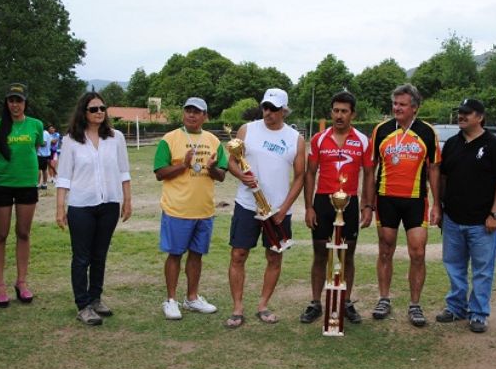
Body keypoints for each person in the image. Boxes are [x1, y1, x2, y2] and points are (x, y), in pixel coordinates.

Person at [225, 88, 305, 328]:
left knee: (274, 257)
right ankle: (237, 308)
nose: (268, 112)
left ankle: (263, 305)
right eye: (265, 107)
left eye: (273, 109)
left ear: (284, 111)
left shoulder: (295, 139)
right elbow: (231, 162)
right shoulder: (247, 130)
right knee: (238, 254)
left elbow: (300, 177)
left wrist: (284, 208)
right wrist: (241, 175)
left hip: (277, 210)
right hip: (247, 205)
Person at [56, 92, 132, 326]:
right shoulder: (71, 140)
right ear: (84, 112)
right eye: (93, 109)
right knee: (82, 257)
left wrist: (127, 200)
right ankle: (83, 305)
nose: (99, 112)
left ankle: (96, 298)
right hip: (81, 205)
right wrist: (60, 207)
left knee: (100, 255)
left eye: (102, 108)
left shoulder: (116, 138)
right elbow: (64, 176)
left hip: (109, 204)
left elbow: (124, 171)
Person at [436, 98, 496, 333]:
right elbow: (443, 178)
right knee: (454, 266)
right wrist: (440, 206)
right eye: (460, 112)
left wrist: (495, 214)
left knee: (482, 270)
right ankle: (456, 307)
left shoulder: (494, 145)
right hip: (453, 219)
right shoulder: (452, 144)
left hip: (483, 222)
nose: (461, 116)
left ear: (480, 117)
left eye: (467, 113)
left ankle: (478, 313)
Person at [368, 83, 441, 327]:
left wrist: (437, 205)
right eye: (394, 103)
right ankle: (384, 299)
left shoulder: (427, 132)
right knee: (385, 250)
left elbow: (434, 169)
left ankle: (415, 304)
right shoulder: (381, 130)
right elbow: (370, 168)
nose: (396, 108)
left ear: (415, 108)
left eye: (402, 104)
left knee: (418, 252)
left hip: (416, 200)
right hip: (386, 199)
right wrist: (367, 203)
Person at [299, 91, 374, 325]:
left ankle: (346, 302)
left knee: (347, 254)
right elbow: (310, 173)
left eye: (344, 111)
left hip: (349, 203)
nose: (339, 115)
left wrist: (367, 206)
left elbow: (369, 174)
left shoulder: (362, 140)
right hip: (323, 201)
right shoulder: (319, 139)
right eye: (336, 111)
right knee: (320, 253)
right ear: (331, 112)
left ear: (353, 114)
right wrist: (309, 207)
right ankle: (315, 302)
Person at [154, 97, 227, 320]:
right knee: (175, 254)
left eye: (197, 112)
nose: (192, 115)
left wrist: (212, 169)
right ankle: (171, 300)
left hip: (204, 210)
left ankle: (192, 298)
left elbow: (221, 176)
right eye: (188, 111)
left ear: (205, 116)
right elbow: (160, 173)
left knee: (196, 255)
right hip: (177, 209)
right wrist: (184, 165)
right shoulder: (169, 139)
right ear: (183, 113)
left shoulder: (213, 140)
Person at [0, 83, 44, 307]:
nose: (15, 105)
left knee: (23, 233)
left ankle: (21, 282)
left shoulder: (36, 125)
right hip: (2, 184)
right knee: (0, 234)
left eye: (19, 101)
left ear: (25, 103)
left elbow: (36, 147)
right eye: (11, 100)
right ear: (6, 102)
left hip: (27, 184)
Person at [37, 125, 51, 189]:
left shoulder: (44, 133)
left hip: (41, 154)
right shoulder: (46, 133)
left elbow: (44, 143)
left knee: (38, 169)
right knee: (44, 169)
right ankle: (44, 184)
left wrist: (36, 143)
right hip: (45, 154)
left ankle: (37, 184)